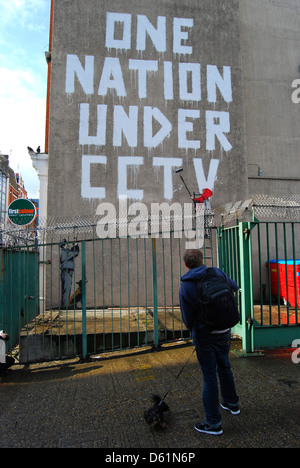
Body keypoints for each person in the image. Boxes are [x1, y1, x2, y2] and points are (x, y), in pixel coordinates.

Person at [179, 249, 240, 436]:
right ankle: (231, 403)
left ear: (186, 265)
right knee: (225, 366)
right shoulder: (217, 272)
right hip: (225, 330)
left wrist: (194, 333)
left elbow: (187, 317)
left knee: (209, 377)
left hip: (205, 335)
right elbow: (234, 287)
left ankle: (213, 423)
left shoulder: (187, 284)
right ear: (202, 260)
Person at [59, 240, 80, 308]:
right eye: (67, 244)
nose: (68, 245)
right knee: (66, 288)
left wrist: (75, 246)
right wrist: (75, 245)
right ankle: (65, 305)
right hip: (66, 271)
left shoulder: (66, 251)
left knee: (67, 288)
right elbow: (75, 253)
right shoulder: (64, 252)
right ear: (64, 245)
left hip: (68, 271)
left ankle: (65, 304)